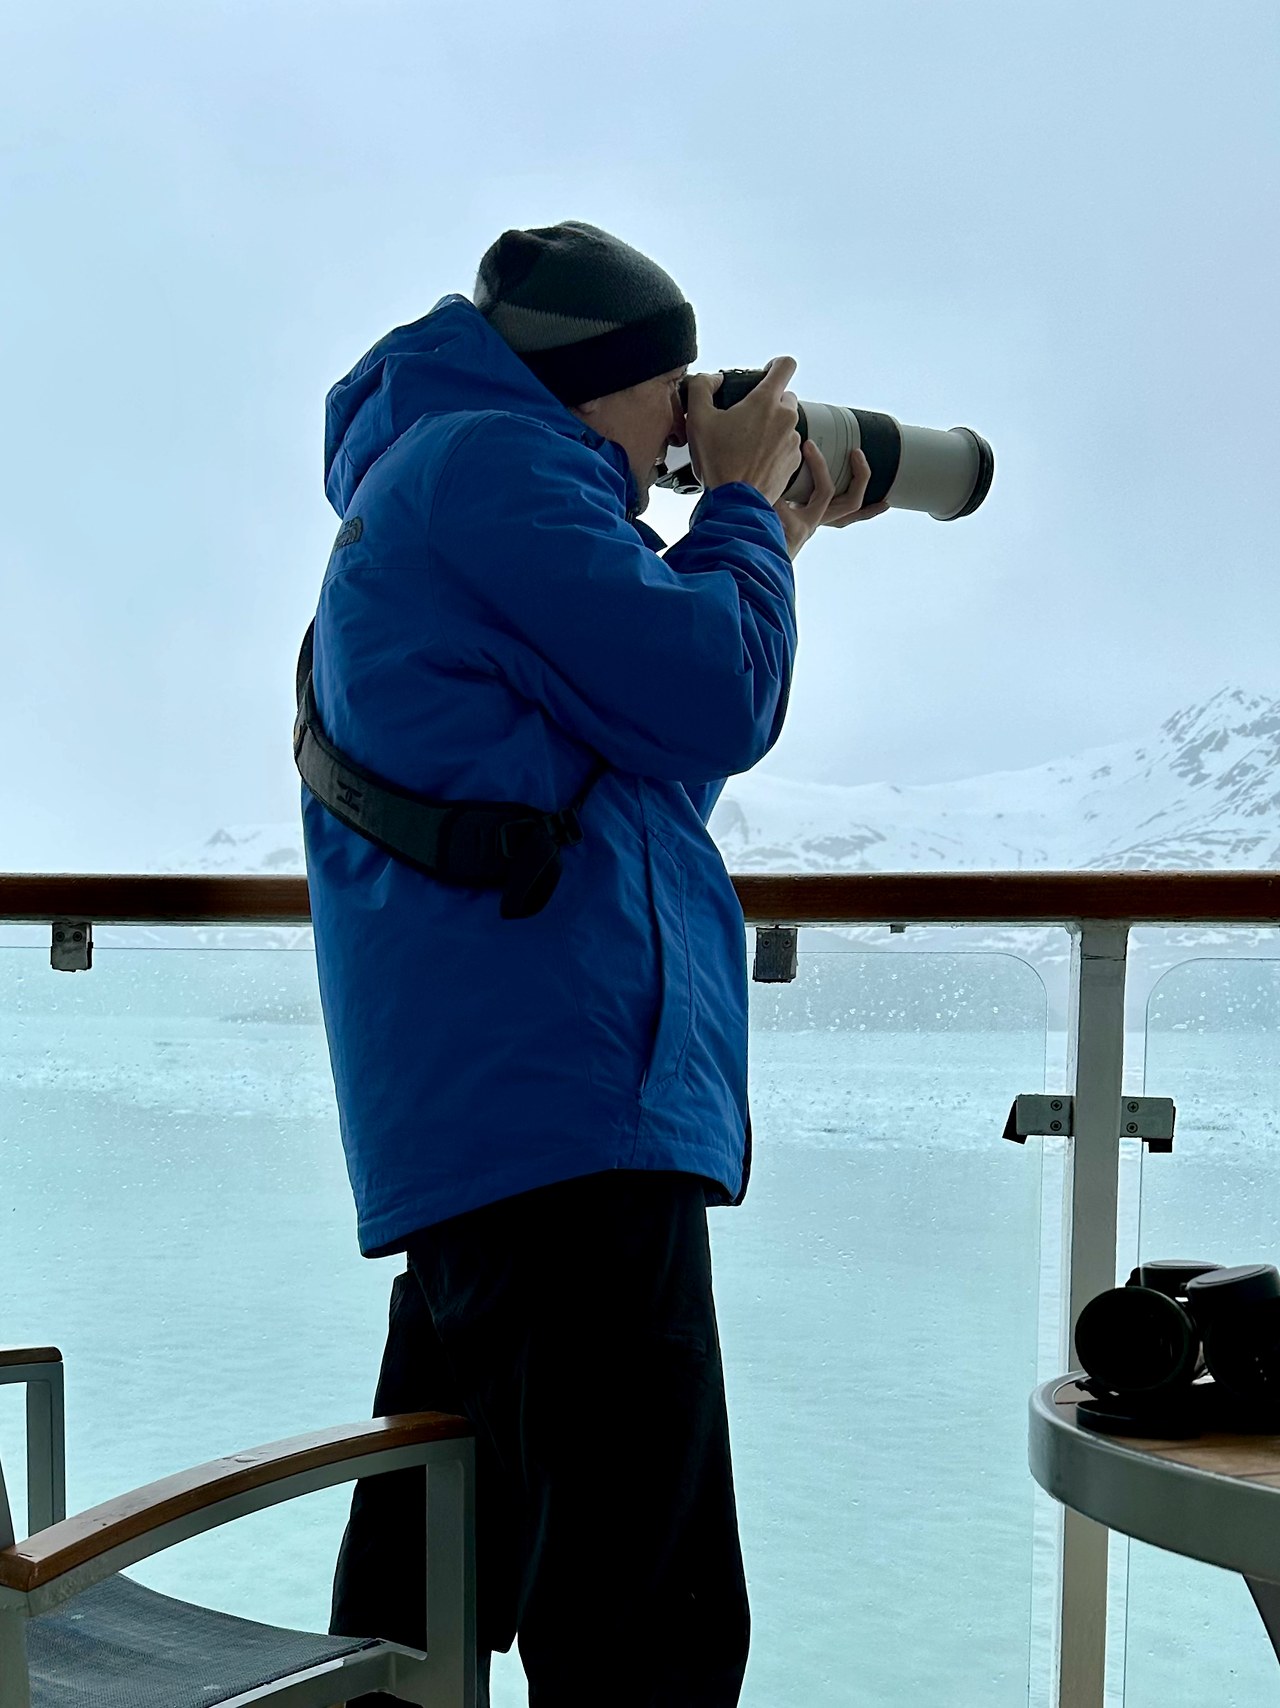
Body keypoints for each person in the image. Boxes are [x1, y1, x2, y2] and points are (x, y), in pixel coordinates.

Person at [302, 220, 886, 1707]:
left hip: (501, 1116)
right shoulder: (493, 477)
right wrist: (743, 513)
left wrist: (772, 539)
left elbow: (632, 782)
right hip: (564, 1113)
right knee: (649, 1631)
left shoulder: (444, 486)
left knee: (431, 1586)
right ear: (600, 382)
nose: (685, 426)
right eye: (674, 391)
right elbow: (717, 694)